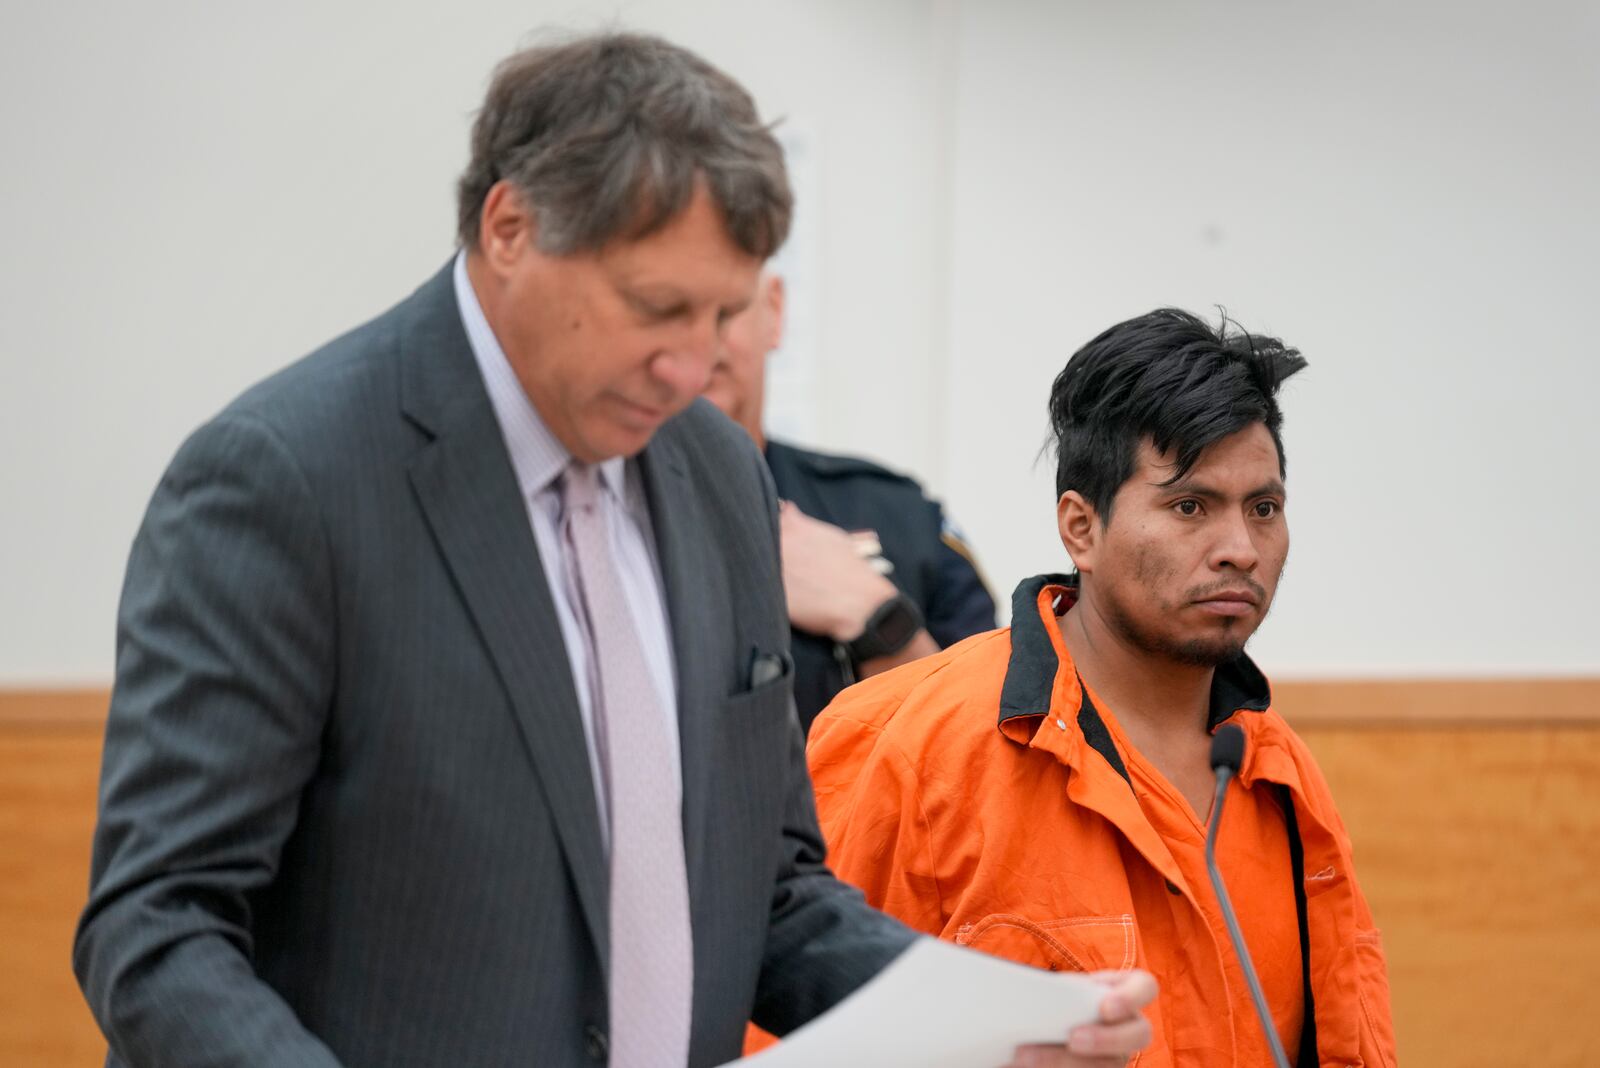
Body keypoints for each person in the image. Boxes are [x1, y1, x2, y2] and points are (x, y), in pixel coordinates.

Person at [72, 32, 1155, 1068]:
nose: (692, 367)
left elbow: (765, 889)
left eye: (724, 314)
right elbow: (157, 926)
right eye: (656, 307)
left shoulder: (721, 476)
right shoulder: (285, 478)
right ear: (510, 229)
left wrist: (985, 1023)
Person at [808, 309, 1398, 1067]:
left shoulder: (1276, 771)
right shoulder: (905, 743)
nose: (1240, 550)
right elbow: (797, 1033)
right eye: (1190, 507)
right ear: (1080, 529)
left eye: (1265, 509)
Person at [702, 271, 996, 730]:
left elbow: (988, 750)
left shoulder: (898, 516)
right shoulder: (575, 524)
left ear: (773, 312)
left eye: (722, 307)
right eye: (658, 306)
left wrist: (879, 622)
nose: (695, 337)